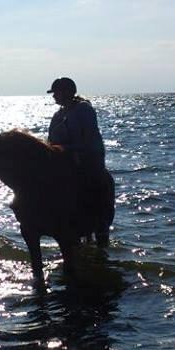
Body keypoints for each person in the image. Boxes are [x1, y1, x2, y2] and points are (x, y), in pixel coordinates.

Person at [45, 77, 111, 245]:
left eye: (57, 93)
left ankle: (100, 224)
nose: (54, 97)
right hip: (62, 162)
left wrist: (67, 149)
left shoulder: (84, 110)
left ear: (67, 92)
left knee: (97, 185)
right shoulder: (57, 115)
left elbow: (90, 140)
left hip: (87, 161)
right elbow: (50, 140)